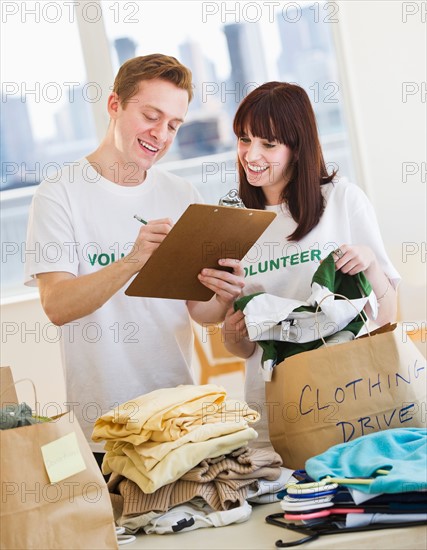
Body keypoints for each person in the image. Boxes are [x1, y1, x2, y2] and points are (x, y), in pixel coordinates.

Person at [24, 54, 245, 462]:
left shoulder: (182, 195)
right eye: (150, 115)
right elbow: (56, 306)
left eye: (173, 125)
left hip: (176, 417)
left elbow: (200, 311)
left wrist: (224, 294)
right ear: (114, 105)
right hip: (101, 430)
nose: (160, 134)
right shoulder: (59, 194)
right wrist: (132, 260)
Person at [221, 81, 400, 449]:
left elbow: (389, 315)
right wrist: (232, 335)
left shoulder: (342, 200)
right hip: (274, 407)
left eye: (268, 144)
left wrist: (369, 265)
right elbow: (244, 348)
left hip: (349, 397)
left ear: (297, 147)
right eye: (244, 139)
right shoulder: (233, 218)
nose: (251, 154)